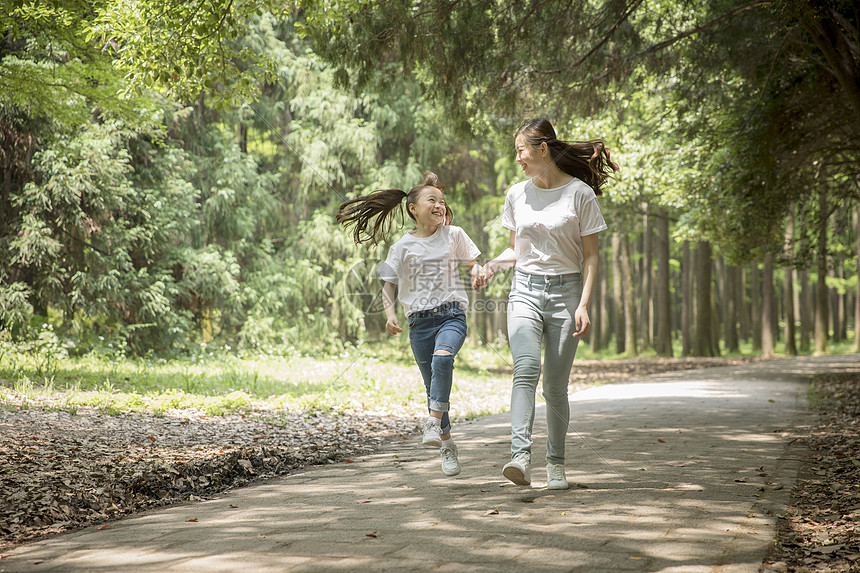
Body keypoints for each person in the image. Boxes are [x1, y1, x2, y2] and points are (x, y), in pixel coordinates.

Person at [482, 118, 616, 490]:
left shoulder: (579, 195)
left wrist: (584, 304)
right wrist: (492, 266)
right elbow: (515, 249)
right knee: (525, 368)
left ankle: (555, 464)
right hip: (524, 288)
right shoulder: (517, 194)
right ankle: (520, 457)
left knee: (555, 386)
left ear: (542, 149)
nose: (518, 159)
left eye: (521, 150)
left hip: (567, 293)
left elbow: (591, 258)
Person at [337, 172, 486, 477]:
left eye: (442, 201)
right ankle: (447, 444)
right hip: (418, 325)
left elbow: (474, 263)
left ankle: (432, 422)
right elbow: (388, 285)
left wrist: (477, 272)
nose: (440, 205)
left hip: (451, 315)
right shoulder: (402, 246)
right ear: (413, 209)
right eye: (432, 200)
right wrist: (390, 315)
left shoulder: (454, 234)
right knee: (433, 388)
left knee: (443, 360)